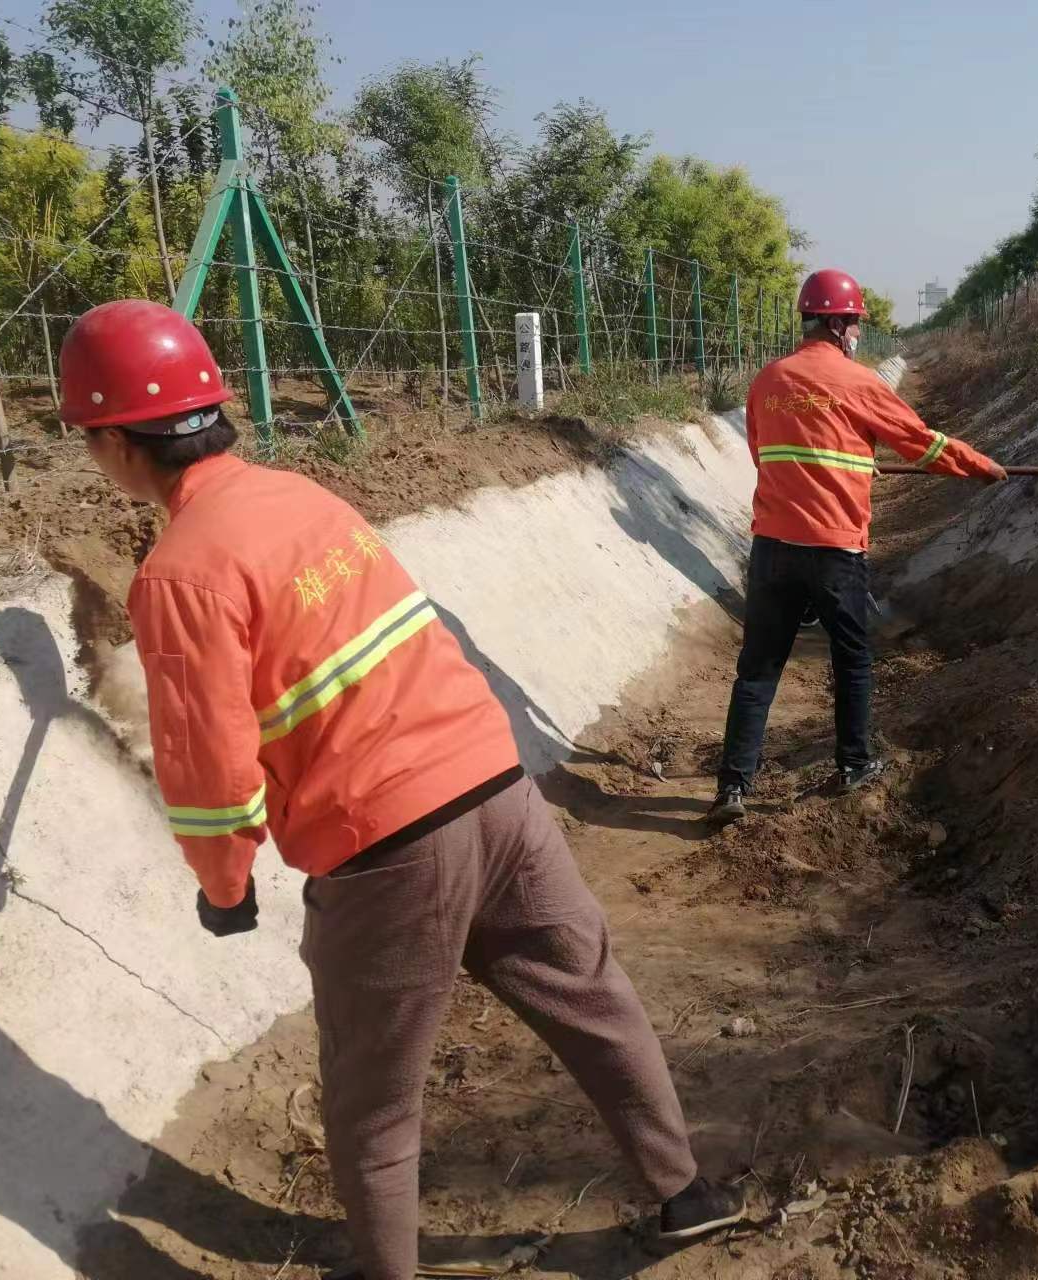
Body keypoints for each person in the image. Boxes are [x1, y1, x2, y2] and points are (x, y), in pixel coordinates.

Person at [59, 299, 745, 1280]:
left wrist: (224, 885)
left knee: (371, 1099)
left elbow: (209, 768)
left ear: (117, 443)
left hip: (384, 848)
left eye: (87, 438)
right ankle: (685, 1193)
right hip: (498, 788)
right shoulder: (303, 500)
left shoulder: (181, 571)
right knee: (592, 1000)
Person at [708, 270, 1006, 826]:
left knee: (758, 668)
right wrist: (979, 466)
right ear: (839, 323)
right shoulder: (859, 382)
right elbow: (920, 444)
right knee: (851, 659)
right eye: (856, 325)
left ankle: (732, 786)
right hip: (834, 549)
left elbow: (761, 451)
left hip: (772, 546)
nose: (858, 335)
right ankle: (853, 765)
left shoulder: (767, 380)